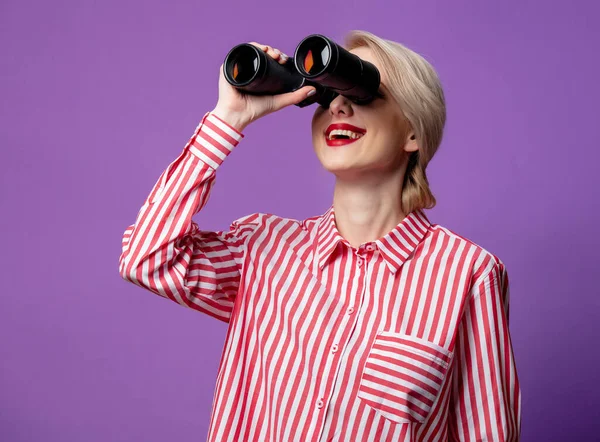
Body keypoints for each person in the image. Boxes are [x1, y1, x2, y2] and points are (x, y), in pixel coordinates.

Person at [119, 30, 521, 442]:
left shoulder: (467, 274)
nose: (339, 105)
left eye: (362, 92)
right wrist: (229, 118)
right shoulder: (264, 247)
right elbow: (147, 258)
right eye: (325, 96)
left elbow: (485, 431)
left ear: (413, 134)